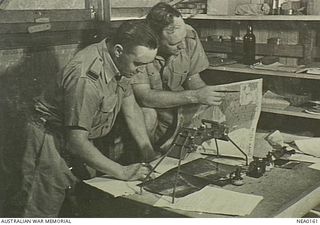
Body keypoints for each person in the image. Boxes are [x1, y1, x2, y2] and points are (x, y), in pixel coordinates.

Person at [5, 20, 159, 217]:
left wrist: (148, 152)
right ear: (119, 50)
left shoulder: (122, 61)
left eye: (147, 64)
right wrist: (121, 171)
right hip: (50, 141)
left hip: (77, 139)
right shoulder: (86, 78)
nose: (141, 70)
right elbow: (76, 142)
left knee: (78, 205)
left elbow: (130, 107)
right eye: (138, 64)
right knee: (39, 212)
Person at [131, 2, 225, 145]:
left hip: (177, 105)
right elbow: (145, 98)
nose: (182, 45)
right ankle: (146, 159)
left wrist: (208, 97)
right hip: (148, 108)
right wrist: (195, 96)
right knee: (148, 115)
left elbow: (193, 79)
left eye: (183, 39)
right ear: (155, 39)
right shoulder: (141, 46)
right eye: (174, 43)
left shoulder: (188, 34)